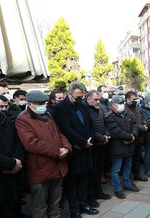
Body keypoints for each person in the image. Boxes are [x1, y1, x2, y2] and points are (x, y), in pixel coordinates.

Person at [15, 90, 72, 218]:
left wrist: (67, 148)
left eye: (44, 103)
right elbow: (31, 143)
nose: (43, 106)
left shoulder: (48, 115)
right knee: (40, 208)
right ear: (29, 104)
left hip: (57, 167)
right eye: (39, 103)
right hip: (40, 170)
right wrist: (57, 151)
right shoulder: (23, 119)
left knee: (55, 205)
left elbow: (60, 134)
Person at [53, 82, 99, 218]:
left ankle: (83, 205)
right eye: (77, 96)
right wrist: (81, 142)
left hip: (86, 149)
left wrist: (89, 141)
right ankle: (74, 211)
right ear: (69, 93)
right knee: (72, 182)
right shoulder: (60, 108)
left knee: (84, 179)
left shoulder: (83, 107)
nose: (80, 99)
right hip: (73, 151)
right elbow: (65, 129)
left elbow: (91, 125)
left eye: (82, 96)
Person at [105, 95, 140, 199]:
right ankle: (118, 189)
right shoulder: (110, 116)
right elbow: (115, 131)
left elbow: (135, 125)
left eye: (122, 103)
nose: (122, 105)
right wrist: (130, 137)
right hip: (118, 147)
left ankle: (128, 184)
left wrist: (133, 136)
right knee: (116, 169)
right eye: (119, 103)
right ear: (114, 105)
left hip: (129, 145)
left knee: (128, 167)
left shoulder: (127, 113)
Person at [0, 93, 25, 218]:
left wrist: (16, 160)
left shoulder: (4, 119)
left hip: (12, 175)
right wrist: (9, 164)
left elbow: (17, 140)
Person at [84, 90, 111, 208]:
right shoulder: (85, 111)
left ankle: (99, 192)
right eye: (95, 99)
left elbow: (104, 124)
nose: (98, 101)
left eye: (99, 99)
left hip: (102, 144)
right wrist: (101, 137)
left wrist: (106, 135)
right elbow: (90, 129)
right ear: (88, 99)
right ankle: (91, 196)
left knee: (99, 170)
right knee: (92, 172)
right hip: (92, 146)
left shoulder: (99, 109)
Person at [125, 91, 149, 182]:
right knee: (130, 159)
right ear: (128, 100)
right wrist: (142, 127)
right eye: (133, 99)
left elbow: (142, 118)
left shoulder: (137, 108)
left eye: (136, 99)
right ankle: (130, 177)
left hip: (140, 138)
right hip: (132, 138)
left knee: (137, 158)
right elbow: (131, 124)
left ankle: (137, 174)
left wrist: (145, 125)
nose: (136, 101)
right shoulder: (125, 109)